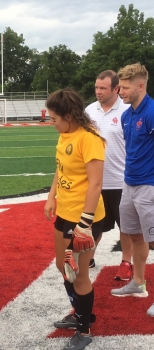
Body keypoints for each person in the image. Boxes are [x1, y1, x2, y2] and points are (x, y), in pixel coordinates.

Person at [44, 89, 105, 350]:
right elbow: (60, 168)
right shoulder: (65, 134)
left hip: (85, 217)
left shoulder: (89, 138)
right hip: (65, 213)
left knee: (78, 274)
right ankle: (79, 311)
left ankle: (84, 328)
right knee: (63, 267)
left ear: (69, 115)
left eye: (55, 118)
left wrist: (85, 224)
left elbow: (96, 184)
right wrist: (51, 197)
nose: (52, 122)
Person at [110, 63, 154, 317]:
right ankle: (138, 282)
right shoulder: (127, 115)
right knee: (134, 234)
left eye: (125, 88)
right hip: (129, 183)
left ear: (140, 85)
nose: (120, 92)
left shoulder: (151, 111)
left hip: (149, 184)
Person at [85, 70, 133, 280]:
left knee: (127, 226)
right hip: (95, 181)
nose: (98, 91)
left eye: (103, 88)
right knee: (94, 224)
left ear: (116, 88)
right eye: (97, 87)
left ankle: (126, 262)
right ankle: (90, 256)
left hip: (121, 181)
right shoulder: (88, 111)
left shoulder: (128, 110)